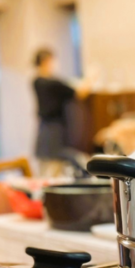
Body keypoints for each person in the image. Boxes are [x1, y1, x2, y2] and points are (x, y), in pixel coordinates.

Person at [32, 48, 88, 176]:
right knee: (53, 166)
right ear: (46, 61)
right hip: (54, 128)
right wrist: (92, 77)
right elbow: (80, 92)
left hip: (44, 127)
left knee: (47, 165)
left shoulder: (36, 81)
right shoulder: (51, 83)